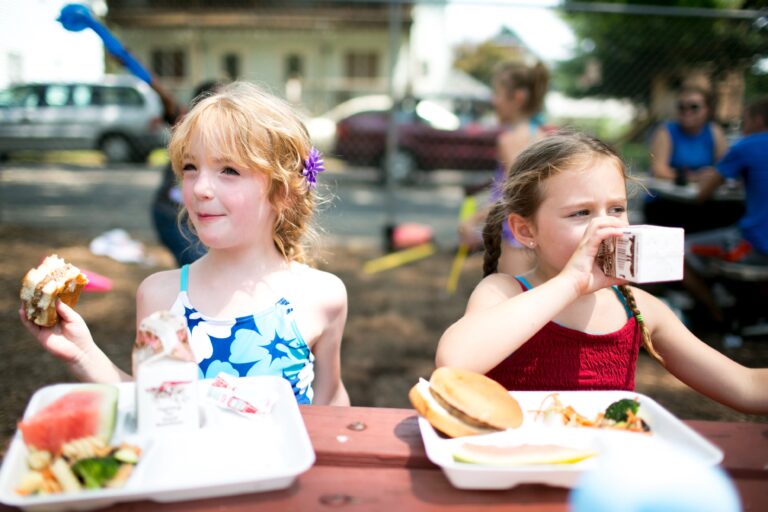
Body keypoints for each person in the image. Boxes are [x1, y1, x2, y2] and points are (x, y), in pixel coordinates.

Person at [19, 82, 350, 406]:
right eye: (191, 167)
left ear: (284, 193)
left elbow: (330, 400)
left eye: (229, 170)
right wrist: (83, 354)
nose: (200, 187)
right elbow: (151, 403)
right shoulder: (161, 298)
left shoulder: (321, 296)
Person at [436, 131, 767, 414]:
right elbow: (454, 361)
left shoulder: (637, 307)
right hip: (517, 466)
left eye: (617, 209)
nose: (605, 226)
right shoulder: (504, 292)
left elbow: (745, 387)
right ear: (525, 231)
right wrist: (571, 282)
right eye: (581, 213)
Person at [458, 60, 550, 275]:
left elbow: (513, 195)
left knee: (513, 298)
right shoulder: (542, 136)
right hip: (536, 231)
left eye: (497, 93)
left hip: (516, 235)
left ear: (518, 97)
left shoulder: (510, 140)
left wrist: (471, 221)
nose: (494, 100)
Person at [683, 96, 768, 325]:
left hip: (757, 245)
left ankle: (717, 315)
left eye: (745, 121)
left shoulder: (748, 145)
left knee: (678, 252)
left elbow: (703, 194)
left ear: (758, 120)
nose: (744, 127)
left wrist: (703, 178)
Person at [645, 85, 740, 233]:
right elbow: (659, 170)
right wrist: (695, 177)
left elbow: (725, 167)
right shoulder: (666, 131)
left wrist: (711, 176)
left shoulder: (714, 131)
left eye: (694, 107)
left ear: (707, 110)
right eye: (681, 107)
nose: (687, 111)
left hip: (701, 200)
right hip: (667, 202)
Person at [150, 80, 225, 266]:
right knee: (197, 267)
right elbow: (166, 99)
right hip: (172, 214)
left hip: (196, 215)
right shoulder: (186, 121)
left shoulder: (227, 135)